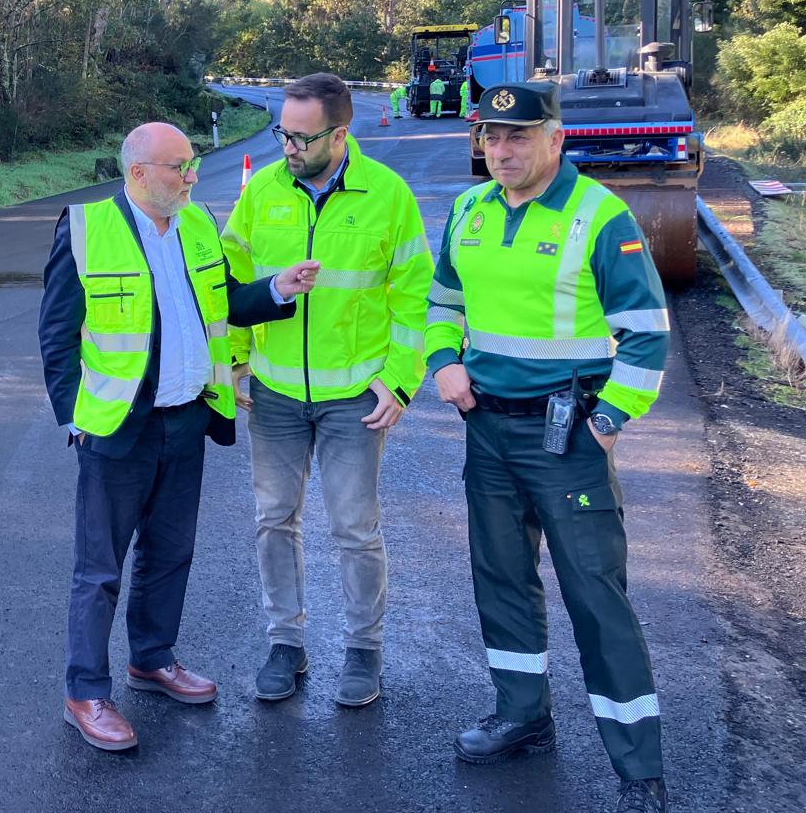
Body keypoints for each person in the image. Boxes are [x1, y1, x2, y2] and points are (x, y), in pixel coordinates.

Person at [423, 82, 672, 813]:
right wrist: (444, 362)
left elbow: (647, 329)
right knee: (500, 579)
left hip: (568, 436)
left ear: (555, 140)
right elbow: (442, 301)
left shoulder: (601, 216)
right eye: (491, 138)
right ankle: (522, 715)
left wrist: (611, 419)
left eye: (517, 138)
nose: (500, 151)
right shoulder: (469, 210)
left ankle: (638, 767)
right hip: (488, 429)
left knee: (597, 598)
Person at [41, 122, 319, 752]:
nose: (192, 176)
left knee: (171, 554)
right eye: (179, 167)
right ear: (139, 173)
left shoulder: (197, 226)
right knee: (99, 569)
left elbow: (222, 307)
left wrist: (276, 289)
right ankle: (85, 691)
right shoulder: (87, 229)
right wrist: (72, 417)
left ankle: (152, 659)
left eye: (192, 164)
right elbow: (57, 334)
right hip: (117, 430)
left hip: (188, 420)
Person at [221, 73, 432, 707]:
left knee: (354, 528)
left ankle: (363, 652)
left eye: (301, 137)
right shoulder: (261, 192)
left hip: (354, 401)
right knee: (273, 520)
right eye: (282, 132)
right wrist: (235, 363)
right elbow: (228, 284)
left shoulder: (387, 196)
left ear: (340, 134)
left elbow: (415, 298)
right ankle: (285, 644)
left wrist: (398, 380)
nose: (287, 145)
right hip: (276, 395)